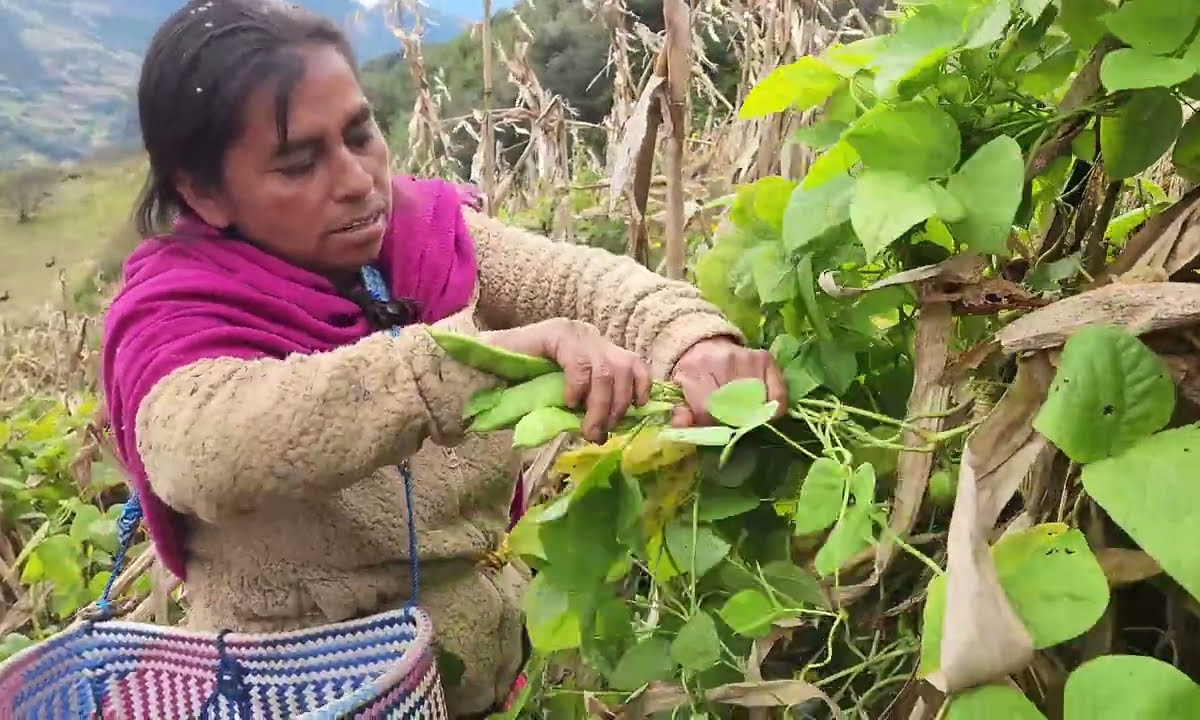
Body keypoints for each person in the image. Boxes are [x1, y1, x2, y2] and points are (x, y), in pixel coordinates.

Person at [100, 0, 786, 715]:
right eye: (300, 163)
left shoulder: (424, 237)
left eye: (361, 135)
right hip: (309, 695)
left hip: (501, 669)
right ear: (202, 192)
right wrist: (455, 365)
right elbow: (213, 452)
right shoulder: (179, 315)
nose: (357, 180)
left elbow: (580, 282)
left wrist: (694, 340)